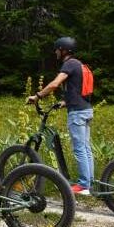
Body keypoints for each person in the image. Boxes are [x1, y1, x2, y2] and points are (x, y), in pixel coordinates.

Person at [27, 36, 94, 195]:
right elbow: (76, 89)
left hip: (77, 113)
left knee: (79, 149)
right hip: (86, 109)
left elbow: (55, 83)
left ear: (64, 50)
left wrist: (37, 96)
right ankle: (89, 182)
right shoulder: (78, 64)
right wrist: (65, 102)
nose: (56, 52)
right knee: (85, 148)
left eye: (57, 49)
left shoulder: (69, 64)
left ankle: (84, 185)